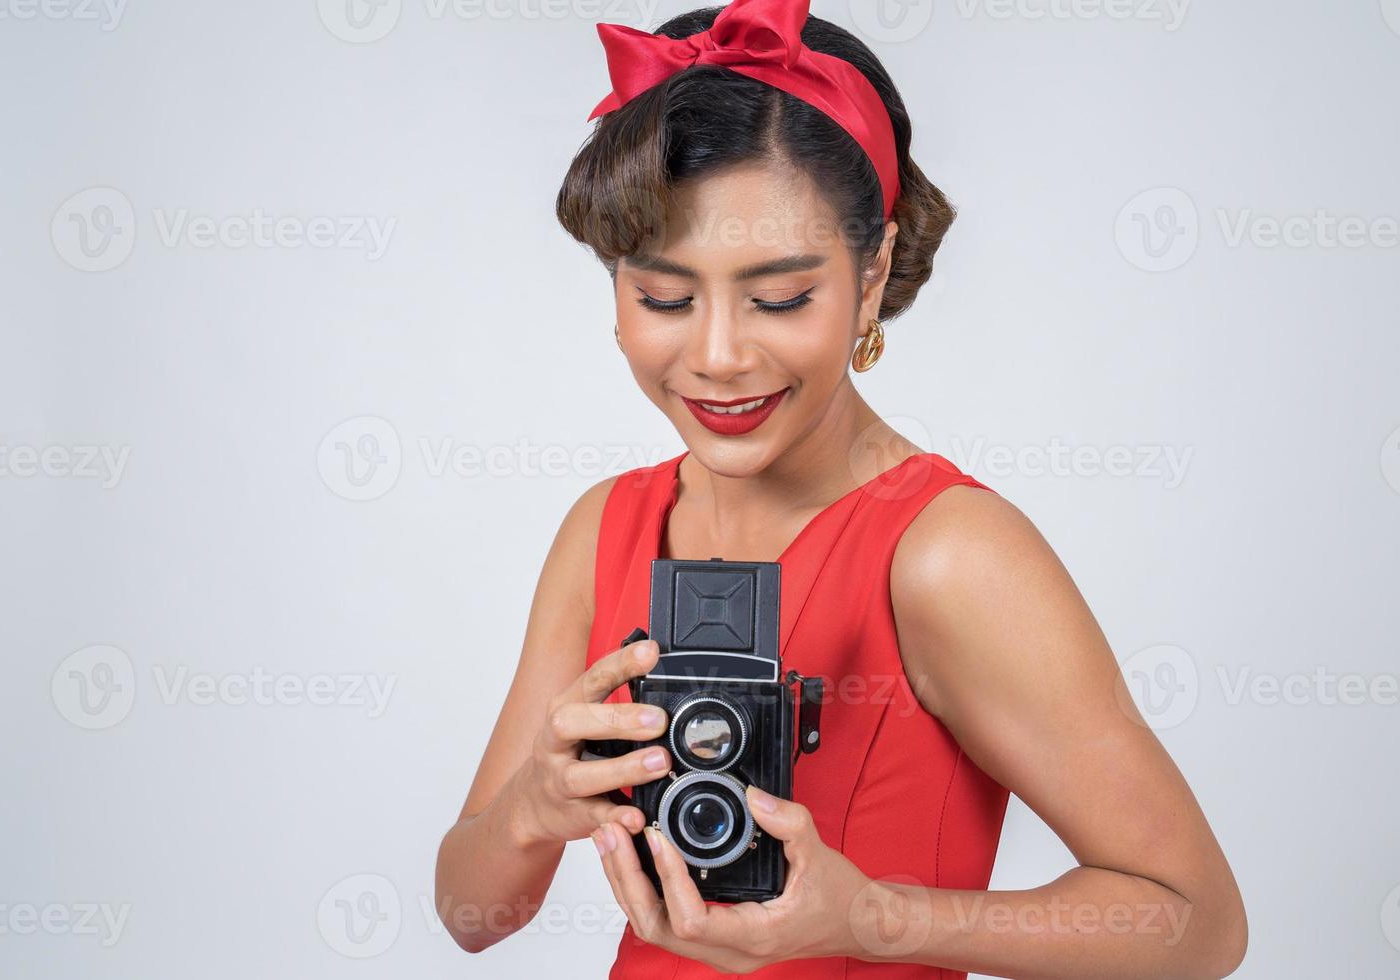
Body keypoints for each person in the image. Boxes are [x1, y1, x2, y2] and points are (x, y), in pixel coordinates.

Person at [434, 2, 1248, 976]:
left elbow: (1196, 920)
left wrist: (872, 918)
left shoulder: (948, 551)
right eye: (664, 295)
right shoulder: (606, 525)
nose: (719, 355)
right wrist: (533, 804)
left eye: (779, 296)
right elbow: (470, 911)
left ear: (872, 275)